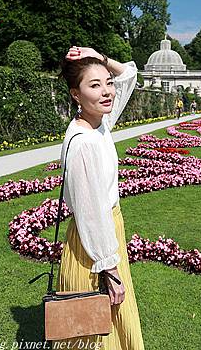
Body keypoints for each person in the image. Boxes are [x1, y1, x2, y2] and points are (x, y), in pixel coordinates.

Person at [57, 46, 145, 349]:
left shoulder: (99, 123)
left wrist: (98, 57)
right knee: (95, 325)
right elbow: (91, 213)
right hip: (93, 245)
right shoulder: (84, 143)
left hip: (106, 234)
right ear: (75, 95)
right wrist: (110, 268)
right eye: (95, 85)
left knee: (109, 322)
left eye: (108, 82)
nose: (107, 91)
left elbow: (130, 76)